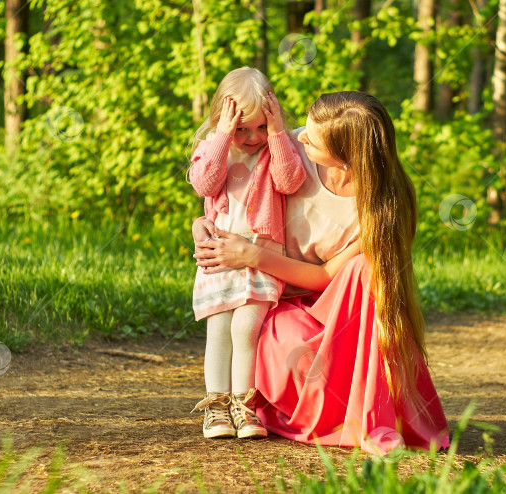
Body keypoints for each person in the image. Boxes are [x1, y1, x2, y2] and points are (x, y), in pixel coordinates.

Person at [193, 91, 449, 454]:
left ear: (346, 158)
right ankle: (285, 401)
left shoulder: (383, 207)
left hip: (343, 313)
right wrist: (201, 223)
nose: (300, 137)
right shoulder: (290, 150)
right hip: (278, 298)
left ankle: (368, 411)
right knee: (292, 351)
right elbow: (230, 186)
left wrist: (250, 255)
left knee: (364, 268)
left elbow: (328, 275)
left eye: (312, 138)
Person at [188, 67, 306, 439]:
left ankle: (244, 405)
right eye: (242, 129)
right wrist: (223, 135)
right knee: (220, 329)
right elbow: (205, 183)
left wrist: (276, 134)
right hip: (220, 254)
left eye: (260, 127)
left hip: (261, 254)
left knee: (246, 326)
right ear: (224, 120)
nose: (251, 137)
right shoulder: (212, 148)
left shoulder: (276, 148)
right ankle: (217, 407)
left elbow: (290, 181)